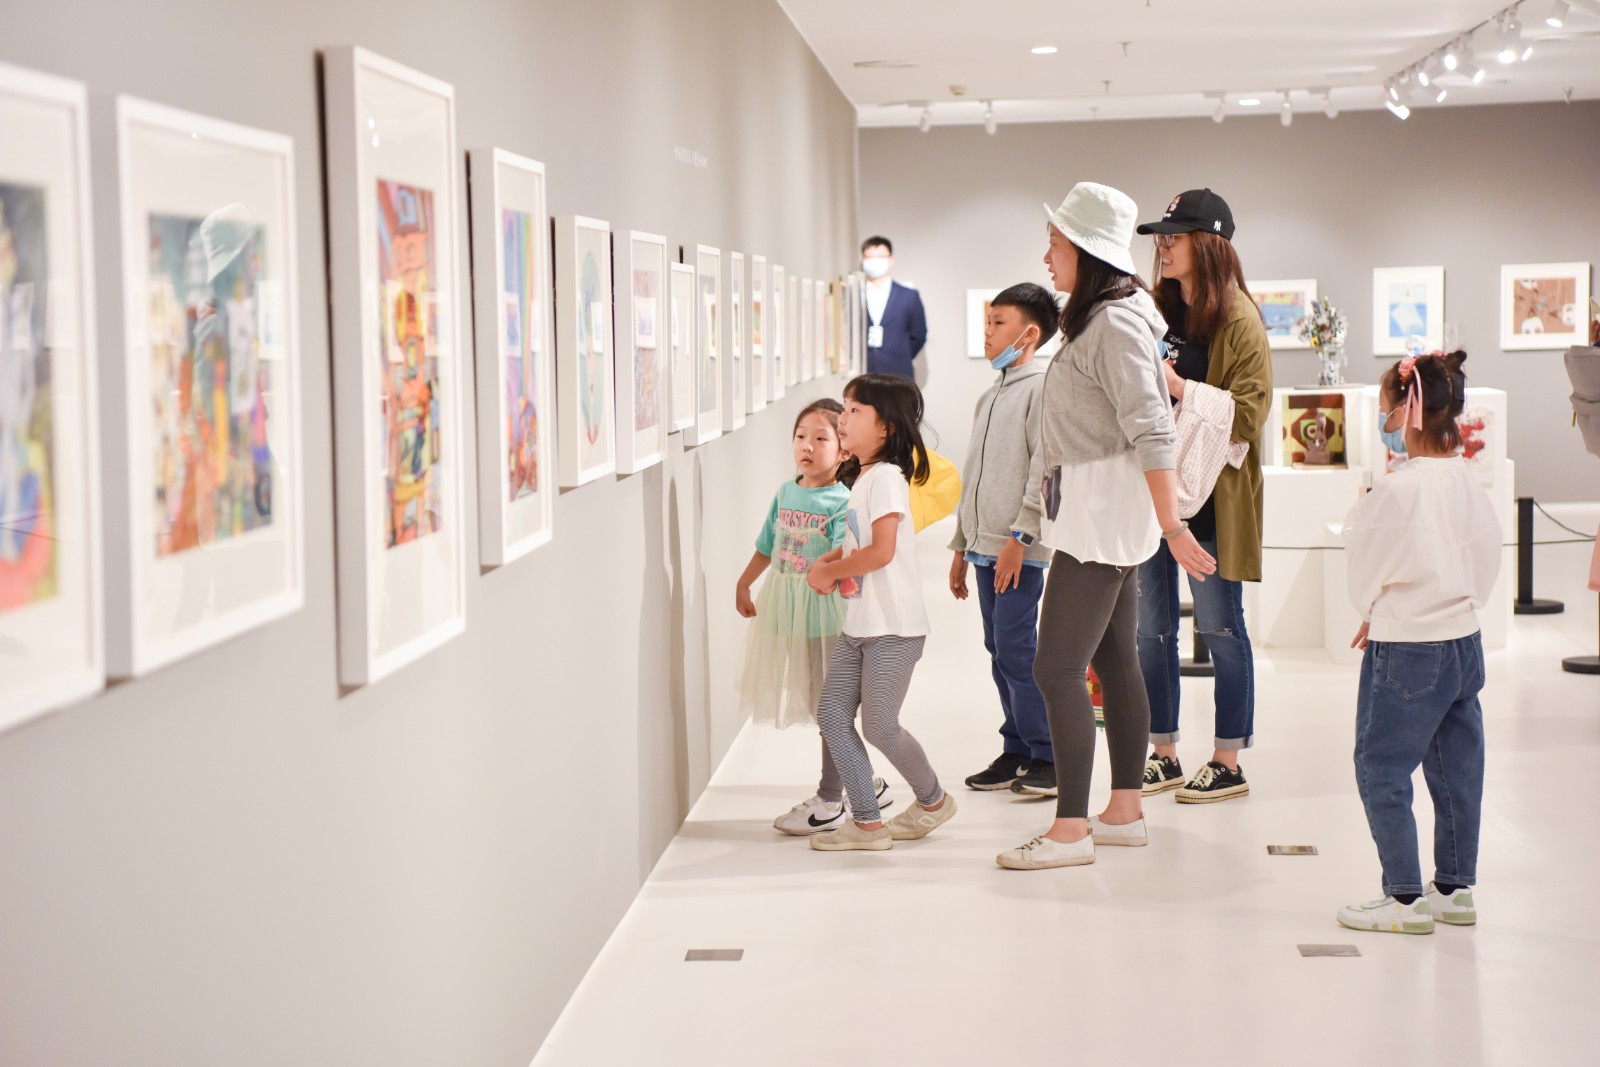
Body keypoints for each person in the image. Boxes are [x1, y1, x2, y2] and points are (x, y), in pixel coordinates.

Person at [997, 182, 1216, 871]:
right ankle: (1122, 808)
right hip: (1097, 508)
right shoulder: (1109, 316)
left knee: (1054, 665)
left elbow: (1150, 426)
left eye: (1056, 243)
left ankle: (1070, 828)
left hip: (1101, 515)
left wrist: (1173, 523)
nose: (1047, 254)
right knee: (1114, 656)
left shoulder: (1117, 322)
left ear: (1087, 251)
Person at [1337, 350, 1499, 934]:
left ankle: (1403, 898)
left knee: (1381, 765)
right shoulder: (1468, 482)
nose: (1383, 422)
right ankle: (1455, 890)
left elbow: (1367, 567)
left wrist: (1377, 609)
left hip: (1408, 647)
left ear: (1409, 410)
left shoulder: (1399, 491)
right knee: (1457, 768)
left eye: (1386, 411)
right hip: (1464, 642)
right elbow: (1483, 564)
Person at [1132, 189, 1272, 804]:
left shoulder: (1239, 319)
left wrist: (1177, 386)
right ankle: (1162, 752)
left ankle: (1228, 760)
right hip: (1153, 495)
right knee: (1150, 629)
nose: (1163, 245)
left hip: (1212, 501)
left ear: (1208, 245)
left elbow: (1249, 415)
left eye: (1176, 235)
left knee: (1220, 627)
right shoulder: (1156, 314)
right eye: (1162, 235)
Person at [806, 374, 956, 851]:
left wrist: (832, 574)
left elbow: (883, 552)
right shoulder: (866, 478)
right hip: (861, 624)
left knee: (879, 726)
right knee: (832, 715)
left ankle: (933, 800)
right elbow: (862, 545)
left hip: (893, 628)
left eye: (853, 411)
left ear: (886, 428)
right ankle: (867, 824)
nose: (842, 419)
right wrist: (833, 561)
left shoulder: (888, 478)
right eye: (844, 408)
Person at [735, 399, 894, 835]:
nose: (808, 446)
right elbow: (768, 544)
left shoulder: (841, 500)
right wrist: (744, 582)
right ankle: (866, 781)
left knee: (831, 709)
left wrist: (823, 576)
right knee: (816, 700)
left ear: (843, 450)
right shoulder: (786, 492)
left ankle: (833, 798)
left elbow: (847, 556)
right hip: (789, 610)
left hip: (825, 612)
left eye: (821, 438)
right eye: (801, 437)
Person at [948, 282, 1057, 795]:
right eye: (987, 322)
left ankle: (1048, 755)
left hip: (1018, 547)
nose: (987, 333)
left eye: (998, 324)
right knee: (998, 647)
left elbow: (1045, 467)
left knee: (1017, 647)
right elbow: (974, 473)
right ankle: (1016, 748)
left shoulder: (1042, 388)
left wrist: (1021, 535)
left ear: (1029, 334)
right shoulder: (990, 395)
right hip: (983, 546)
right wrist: (959, 543)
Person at [860, 236, 928, 381]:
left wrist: (900, 353)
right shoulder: (855, 295)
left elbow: (919, 335)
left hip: (899, 373)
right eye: (869, 257)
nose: (875, 261)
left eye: (880, 256)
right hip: (863, 373)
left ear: (891, 260)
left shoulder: (909, 296)